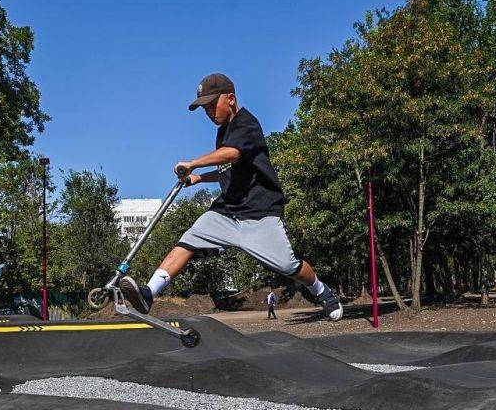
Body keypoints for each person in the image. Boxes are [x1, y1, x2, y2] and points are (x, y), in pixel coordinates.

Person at [120, 73, 343, 321]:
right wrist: (200, 178)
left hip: (259, 214)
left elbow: (233, 155)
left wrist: (194, 164)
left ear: (231, 98)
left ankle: (322, 291)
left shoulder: (247, 124)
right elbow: (228, 167)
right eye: (204, 108)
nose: (209, 112)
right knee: (188, 240)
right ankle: (149, 293)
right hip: (227, 212)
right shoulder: (223, 132)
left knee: (287, 266)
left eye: (212, 105)